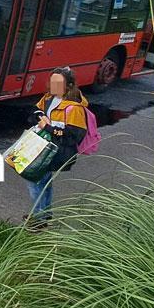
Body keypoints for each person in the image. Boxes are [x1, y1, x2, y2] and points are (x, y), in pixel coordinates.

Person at [24, 67, 88, 230]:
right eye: (52, 81)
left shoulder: (75, 108)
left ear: (69, 85)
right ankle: (44, 214)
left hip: (57, 151)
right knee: (44, 181)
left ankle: (39, 218)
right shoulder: (48, 99)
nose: (54, 85)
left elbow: (75, 135)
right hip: (43, 147)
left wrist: (48, 128)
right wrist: (40, 116)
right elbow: (33, 111)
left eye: (58, 82)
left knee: (33, 179)